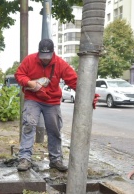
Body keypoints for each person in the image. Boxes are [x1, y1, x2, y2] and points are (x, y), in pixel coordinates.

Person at [14, 38, 99, 172]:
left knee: (54, 130)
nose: (45, 60)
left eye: (48, 57)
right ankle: (25, 158)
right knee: (29, 125)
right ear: (38, 53)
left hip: (51, 101)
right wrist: (29, 83)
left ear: (53, 53)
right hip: (33, 98)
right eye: (43, 57)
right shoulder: (30, 60)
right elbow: (19, 74)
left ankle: (55, 160)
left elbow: (75, 81)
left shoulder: (60, 63)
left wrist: (90, 95)